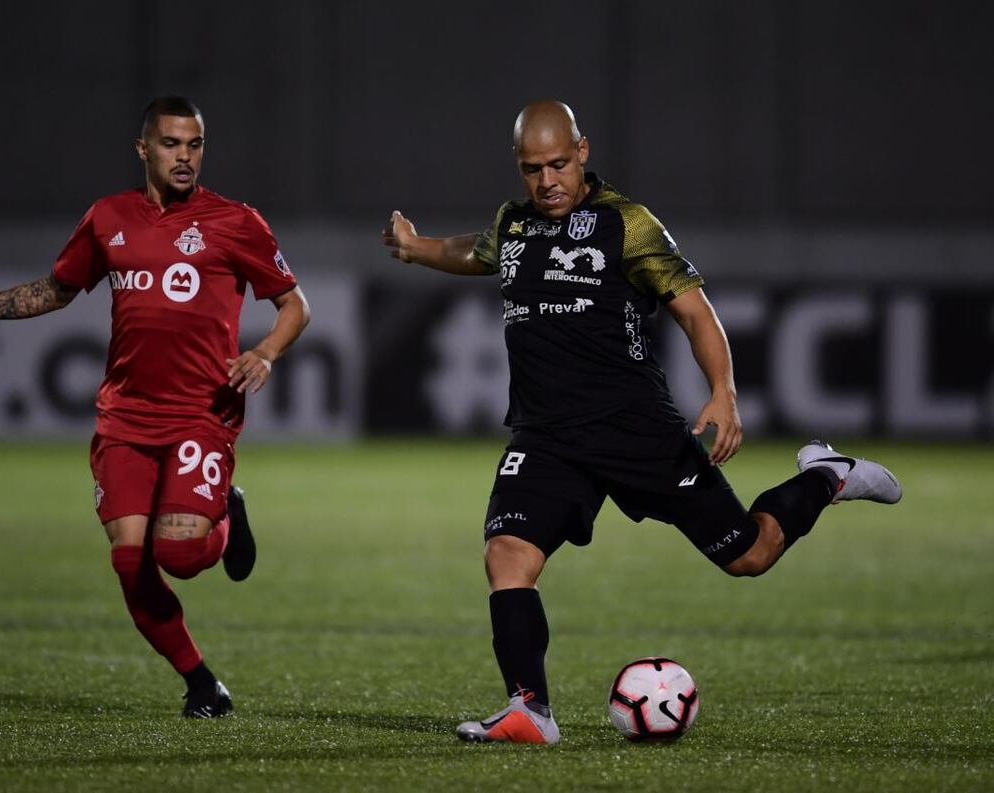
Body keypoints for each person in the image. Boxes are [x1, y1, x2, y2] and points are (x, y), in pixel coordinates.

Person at [382, 100, 900, 745]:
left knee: (749, 554)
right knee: (506, 557)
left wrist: (724, 392)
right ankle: (530, 711)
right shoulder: (513, 223)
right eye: (533, 168)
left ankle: (826, 476)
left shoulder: (627, 224)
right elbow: (479, 253)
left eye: (560, 164)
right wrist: (416, 247)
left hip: (635, 430)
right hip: (546, 437)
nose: (548, 181)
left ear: (584, 151)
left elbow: (694, 311)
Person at [0, 96, 310, 718]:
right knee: (130, 561)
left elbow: (295, 304)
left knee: (178, 555)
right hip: (124, 415)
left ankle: (227, 515)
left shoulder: (235, 221)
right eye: (173, 144)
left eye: (196, 144)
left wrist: (264, 352)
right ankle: (201, 682)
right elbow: (57, 289)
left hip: (202, 412)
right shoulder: (107, 217)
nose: (185, 157)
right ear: (144, 149)